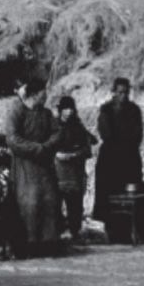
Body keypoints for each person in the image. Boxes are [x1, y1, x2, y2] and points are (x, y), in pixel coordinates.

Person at [6, 77, 63, 257]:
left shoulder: (47, 114)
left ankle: (49, 244)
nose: (46, 96)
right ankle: (28, 246)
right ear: (34, 94)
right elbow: (12, 139)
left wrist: (46, 147)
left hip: (45, 167)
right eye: (43, 93)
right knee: (29, 203)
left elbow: (58, 133)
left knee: (50, 201)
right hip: (25, 167)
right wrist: (36, 148)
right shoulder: (16, 112)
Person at [92, 78, 144, 224]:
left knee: (130, 191)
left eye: (126, 92)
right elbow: (106, 134)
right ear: (114, 92)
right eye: (120, 92)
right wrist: (121, 143)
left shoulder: (134, 110)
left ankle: (129, 223)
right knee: (109, 191)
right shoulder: (106, 110)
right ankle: (110, 225)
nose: (123, 96)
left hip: (130, 156)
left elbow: (138, 134)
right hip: (110, 157)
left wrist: (128, 145)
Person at [54, 96, 97, 243]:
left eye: (71, 108)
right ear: (60, 110)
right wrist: (56, 154)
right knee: (55, 206)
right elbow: (45, 147)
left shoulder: (78, 127)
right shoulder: (53, 126)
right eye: (66, 108)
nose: (69, 112)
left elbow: (88, 149)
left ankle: (75, 233)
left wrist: (73, 155)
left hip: (75, 174)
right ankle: (57, 234)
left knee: (75, 206)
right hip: (56, 173)